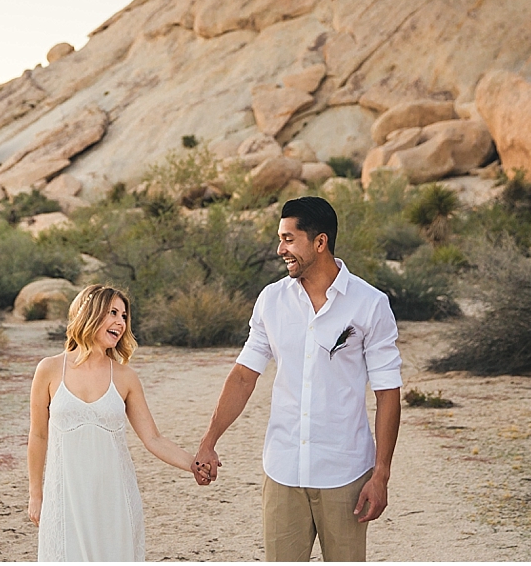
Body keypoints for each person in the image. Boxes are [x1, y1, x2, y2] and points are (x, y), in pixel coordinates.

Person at [191, 196, 402, 562]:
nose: (280, 249)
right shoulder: (271, 300)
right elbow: (243, 376)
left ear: (319, 242)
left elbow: (388, 393)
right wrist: (209, 440)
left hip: (346, 472)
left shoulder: (370, 303)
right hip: (283, 469)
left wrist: (380, 475)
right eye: (280, 238)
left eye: (289, 239)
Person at [28, 284, 204, 561]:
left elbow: (153, 439)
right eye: (112, 312)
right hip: (65, 498)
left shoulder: (125, 377)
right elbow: (38, 436)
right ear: (89, 313)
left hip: (114, 498)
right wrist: (36, 495)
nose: (120, 322)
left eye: (124, 316)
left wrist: (194, 464)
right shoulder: (49, 369)